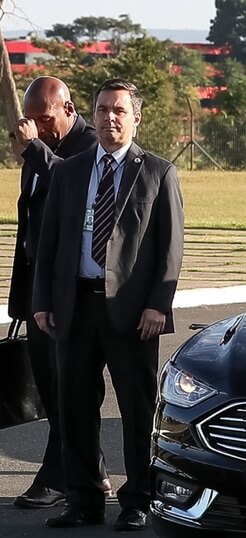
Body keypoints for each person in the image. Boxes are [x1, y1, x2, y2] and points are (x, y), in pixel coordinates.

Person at [32, 78, 184, 531]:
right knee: (74, 405)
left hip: (132, 313)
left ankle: (138, 498)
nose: (109, 118)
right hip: (75, 305)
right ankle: (82, 499)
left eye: (118, 110)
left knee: (137, 409)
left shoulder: (157, 172)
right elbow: (49, 242)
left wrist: (158, 306)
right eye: (101, 110)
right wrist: (43, 300)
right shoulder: (69, 170)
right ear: (91, 114)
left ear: (136, 117)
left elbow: (170, 247)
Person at [7, 76, 113, 509]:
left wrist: (34, 149)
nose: (35, 127)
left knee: (70, 385)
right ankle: (92, 471)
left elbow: (73, 193)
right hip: (38, 286)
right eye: (29, 120)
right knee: (49, 386)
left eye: (44, 118)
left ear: (68, 110)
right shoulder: (44, 149)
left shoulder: (90, 146)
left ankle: (60, 477)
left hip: (71, 292)